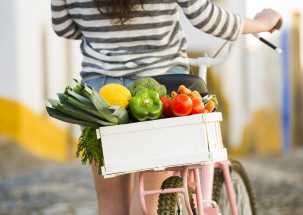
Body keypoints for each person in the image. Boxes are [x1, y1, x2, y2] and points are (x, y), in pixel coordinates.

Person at [51, 0, 282, 214]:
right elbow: (204, 16)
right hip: (161, 89)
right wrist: (262, 23)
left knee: (111, 204)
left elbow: (64, 27)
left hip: (100, 96)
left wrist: (105, 27)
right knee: (149, 202)